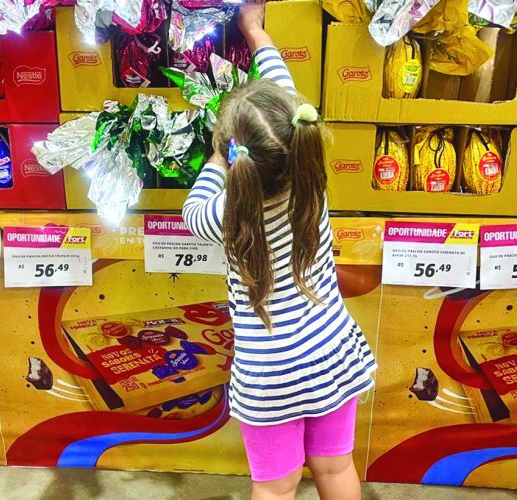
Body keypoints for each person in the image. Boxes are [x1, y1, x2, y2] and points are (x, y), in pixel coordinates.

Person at [181, 2, 377, 499]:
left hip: (268, 373)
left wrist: (214, 158)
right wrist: (254, 28)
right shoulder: (313, 183)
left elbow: (190, 209)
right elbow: (283, 88)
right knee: (336, 470)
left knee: (276, 488)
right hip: (329, 351)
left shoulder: (221, 215)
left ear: (232, 161)